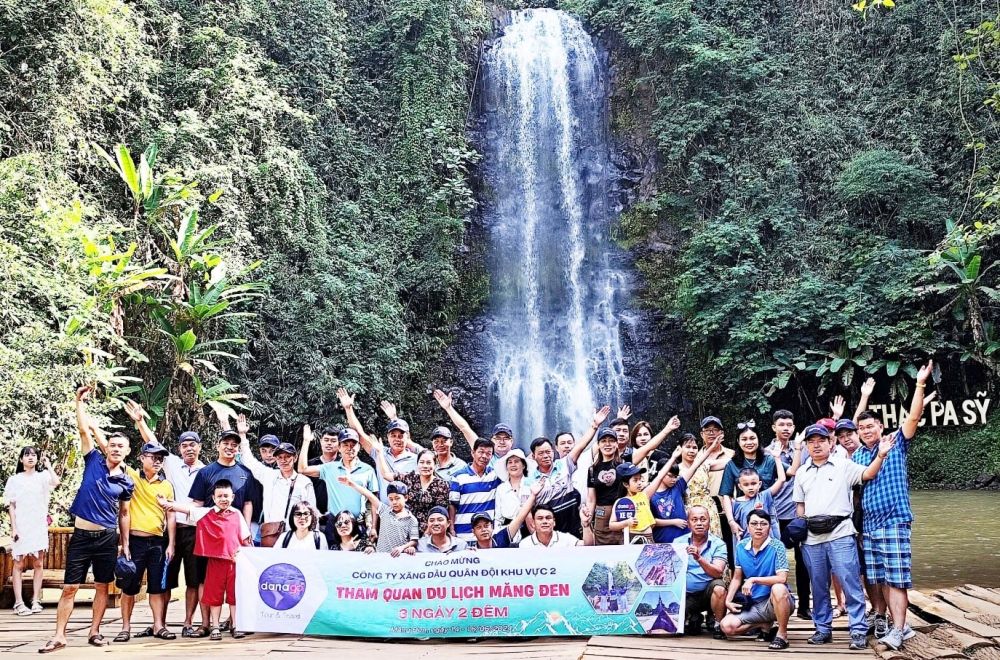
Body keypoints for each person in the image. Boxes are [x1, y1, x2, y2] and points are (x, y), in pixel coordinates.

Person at [40, 387, 135, 655]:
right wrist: (79, 402)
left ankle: (94, 631)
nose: (116, 449)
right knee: (70, 587)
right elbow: (84, 431)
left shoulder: (126, 481)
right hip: (81, 536)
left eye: (121, 446)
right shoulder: (93, 459)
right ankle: (59, 635)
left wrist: (124, 544)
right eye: (113, 445)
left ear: (127, 451)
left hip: (107, 538)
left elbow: (124, 513)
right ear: (108, 448)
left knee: (102, 585)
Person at [850, 360, 934, 650]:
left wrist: (920, 384)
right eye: (861, 428)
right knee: (881, 578)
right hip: (870, 525)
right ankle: (903, 625)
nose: (865, 430)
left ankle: (898, 630)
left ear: (880, 425)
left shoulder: (895, 442)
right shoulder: (858, 457)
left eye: (870, 425)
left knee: (897, 579)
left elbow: (912, 417)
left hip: (894, 520)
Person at [793, 423, 896, 650]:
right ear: (807, 445)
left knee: (850, 584)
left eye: (821, 440)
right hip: (811, 538)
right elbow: (800, 506)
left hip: (840, 533)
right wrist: (800, 533)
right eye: (811, 441)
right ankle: (822, 629)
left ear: (831, 443)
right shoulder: (801, 472)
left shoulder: (844, 465)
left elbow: (867, 473)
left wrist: (880, 455)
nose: (816, 445)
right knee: (818, 586)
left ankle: (857, 630)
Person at [125, 401, 207, 638]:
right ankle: (159, 622)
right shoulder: (171, 463)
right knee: (165, 580)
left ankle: (188, 622)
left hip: (194, 530)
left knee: (193, 580)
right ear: (179, 448)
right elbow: (153, 444)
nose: (189, 449)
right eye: (184, 445)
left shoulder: (206, 470)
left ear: (199, 447)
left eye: (193, 445)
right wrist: (140, 420)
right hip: (169, 532)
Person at [162, 480, 251, 641]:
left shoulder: (237, 514)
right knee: (214, 596)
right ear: (213, 497)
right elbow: (187, 509)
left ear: (233, 497)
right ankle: (215, 626)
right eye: (220, 496)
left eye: (226, 496)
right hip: (214, 562)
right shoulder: (206, 513)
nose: (223, 499)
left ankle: (236, 625)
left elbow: (246, 538)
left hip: (233, 562)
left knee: (234, 595)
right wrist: (167, 503)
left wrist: (248, 557)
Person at [116, 440, 176, 643]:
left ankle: (159, 625)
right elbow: (114, 454)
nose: (158, 461)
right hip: (135, 541)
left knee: (157, 587)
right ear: (142, 458)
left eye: (161, 458)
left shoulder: (166, 485)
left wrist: (171, 544)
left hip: (158, 542)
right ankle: (125, 627)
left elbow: (171, 516)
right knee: (129, 586)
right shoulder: (132, 476)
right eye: (154, 457)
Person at [720, 510, 795, 650]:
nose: (759, 527)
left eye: (763, 524)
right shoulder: (741, 546)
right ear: (748, 527)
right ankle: (763, 624)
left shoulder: (777, 546)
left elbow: (782, 578)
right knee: (727, 627)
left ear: (769, 527)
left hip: (775, 601)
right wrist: (728, 600)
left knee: (778, 587)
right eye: (754, 524)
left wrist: (754, 579)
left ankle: (782, 634)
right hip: (753, 602)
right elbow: (736, 577)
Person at [236, 415, 315, 546]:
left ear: (295, 458)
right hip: (271, 534)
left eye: (287, 457)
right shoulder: (269, 476)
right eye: (280, 457)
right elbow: (249, 460)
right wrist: (242, 435)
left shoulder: (304, 482)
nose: (283, 460)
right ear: (276, 459)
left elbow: (312, 513)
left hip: (296, 537)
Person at [530, 411, 609, 536]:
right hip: (549, 528)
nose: (546, 456)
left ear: (552, 451)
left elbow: (581, 446)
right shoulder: (529, 479)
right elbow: (528, 511)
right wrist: (537, 536)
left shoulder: (563, 464)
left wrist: (594, 426)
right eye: (541, 453)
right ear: (533, 457)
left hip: (574, 524)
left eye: (548, 452)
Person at [767, 409, 812, 620]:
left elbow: (828, 443)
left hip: (799, 514)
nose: (786, 428)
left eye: (789, 425)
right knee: (775, 561)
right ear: (774, 427)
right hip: (775, 515)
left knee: (804, 561)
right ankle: (776, 607)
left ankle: (804, 606)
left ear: (794, 428)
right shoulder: (767, 453)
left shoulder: (804, 449)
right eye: (781, 424)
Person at [3, 446, 60, 616]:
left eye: (34, 455)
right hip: (21, 525)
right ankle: (19, 602)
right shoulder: (14, 480)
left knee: (38, 563)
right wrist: (14, 528)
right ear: (21, 459)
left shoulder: (42, 477)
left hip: (38, 525)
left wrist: (48, 465)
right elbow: (11, 506)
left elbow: (56, 482)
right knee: (18, 563)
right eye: (27, 455)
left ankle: (36, 600)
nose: (30, 458)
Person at [298, 427, 379, 531]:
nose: (349, 448)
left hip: (358, 524)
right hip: (334, 524)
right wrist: (306, 441)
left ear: (359, 447)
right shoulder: (330, 468)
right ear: (339, 448)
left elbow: (374, 501)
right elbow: (302, 469)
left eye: (353, 445)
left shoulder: (368, 470)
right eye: (345, 445)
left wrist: (373, 528)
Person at [719, 421, 784, 541]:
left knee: (771, 552)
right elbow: (726, 495)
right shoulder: (731, 464)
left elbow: (788, 474)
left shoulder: (769, 460)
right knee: (745, 552)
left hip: (767, 514)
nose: (748, 442)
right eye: (744, 439)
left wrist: (797, 447)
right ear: (738, 442)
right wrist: (731, 521)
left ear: (758, 439)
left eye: (752, 438)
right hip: (743, 515)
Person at [433, 388, 515, 477]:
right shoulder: (484, 454)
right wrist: (449, 408)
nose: (502, 441)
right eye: (498, 438)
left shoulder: (519, 458)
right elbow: (464, 428)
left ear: (512, 441)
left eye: (506, 438)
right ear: (492, 440)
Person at [649, 439, 718, 544]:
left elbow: (696, 465)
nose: (673, 479)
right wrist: (673, 522)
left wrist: (711, 448)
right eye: (670, 476)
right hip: (662, 540)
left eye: (676, 476)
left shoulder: (678, 486)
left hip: (684, 539)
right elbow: (651, 521)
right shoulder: (651, 494)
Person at [677, 505, 729, 639]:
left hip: (707, 594)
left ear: (709, 522)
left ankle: (718, 624)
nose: (699, 523)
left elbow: (718, 572)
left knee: (719, 587)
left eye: (703, 519)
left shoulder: (719, 544)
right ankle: (694, 617)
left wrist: (699, 558)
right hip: (686, 595)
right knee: (680, 629)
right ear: (688, 524)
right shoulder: (678, 543)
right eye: (694, 520)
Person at [338, 478, 418, 556]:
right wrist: (352, 484)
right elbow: (369, 495)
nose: (394, 502)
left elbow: (414, 540)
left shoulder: (411, 519)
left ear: (406, 498)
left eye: (397, 498)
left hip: (399, 558)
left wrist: (402, 548)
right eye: (391, 499)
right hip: (380, 557)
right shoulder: (384, 510)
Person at [379, 448, 450, 534]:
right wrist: (379, 452)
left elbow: (439, 512)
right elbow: (386, 475)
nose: (425, 466)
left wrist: (425, 536)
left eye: (428, 463)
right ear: (417, 464)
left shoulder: (441, 485)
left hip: (430, 532)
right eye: (422, 462)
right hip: (406, 529)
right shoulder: (410, 478)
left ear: (435, 464)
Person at [449, 438, 502, 541]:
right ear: (473, 453)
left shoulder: (495, 476)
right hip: (463, 534)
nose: (484, 456)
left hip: (486, 536)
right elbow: (452, 505)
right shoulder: (458, 477)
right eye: (481, 452)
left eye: (488, 453)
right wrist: (451, 528)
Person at [469, 479, 544, 549]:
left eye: (486, 526)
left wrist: (533, 495)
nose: (483, 530)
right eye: (479, 527)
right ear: (473, 532)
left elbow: (520, 517)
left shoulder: (501, 538)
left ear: (492, 527)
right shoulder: (471, 552)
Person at [677, 433, 723, 538]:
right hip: (689, 510)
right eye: (688, 447)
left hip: (708, 509)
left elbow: (729, 462)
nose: (691, 450)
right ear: (680, 449)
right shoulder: (676, 470)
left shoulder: (705, 465)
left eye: (694, 447)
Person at [730, 465, 787, 543]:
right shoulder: (736, 503)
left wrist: (777, 458)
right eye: (746, 484)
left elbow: (782, 479)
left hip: (767, 543)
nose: (750, 487)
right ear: (740, 486)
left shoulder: (764, 496)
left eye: (753, 483)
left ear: (759, 484)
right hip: (747, 543)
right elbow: (737, 527)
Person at [609, 463, 655, 543]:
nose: (639, 483)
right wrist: (626, 523)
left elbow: (660, 477)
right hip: (631, 538)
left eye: (640, 479)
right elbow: (612, 525)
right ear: (626, 484)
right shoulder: (621, 502)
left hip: (649, 538)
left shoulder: (644, 495)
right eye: (635, 480)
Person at [495, 449, 534, 540]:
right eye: (510, 462)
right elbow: (498, 517)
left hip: (530, 530)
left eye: (516, 462)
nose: (513, 465)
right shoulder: (501, 488)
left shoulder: (532, 484)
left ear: (523, 465)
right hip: (508, 531)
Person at [305, 425, 340, 514]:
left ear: (339, 444)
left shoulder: (343, 464)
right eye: (326, 440)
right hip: (313, 515)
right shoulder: (310, 465)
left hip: (338, 515)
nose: (329, 443)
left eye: (333, 441)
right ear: (321, 441)